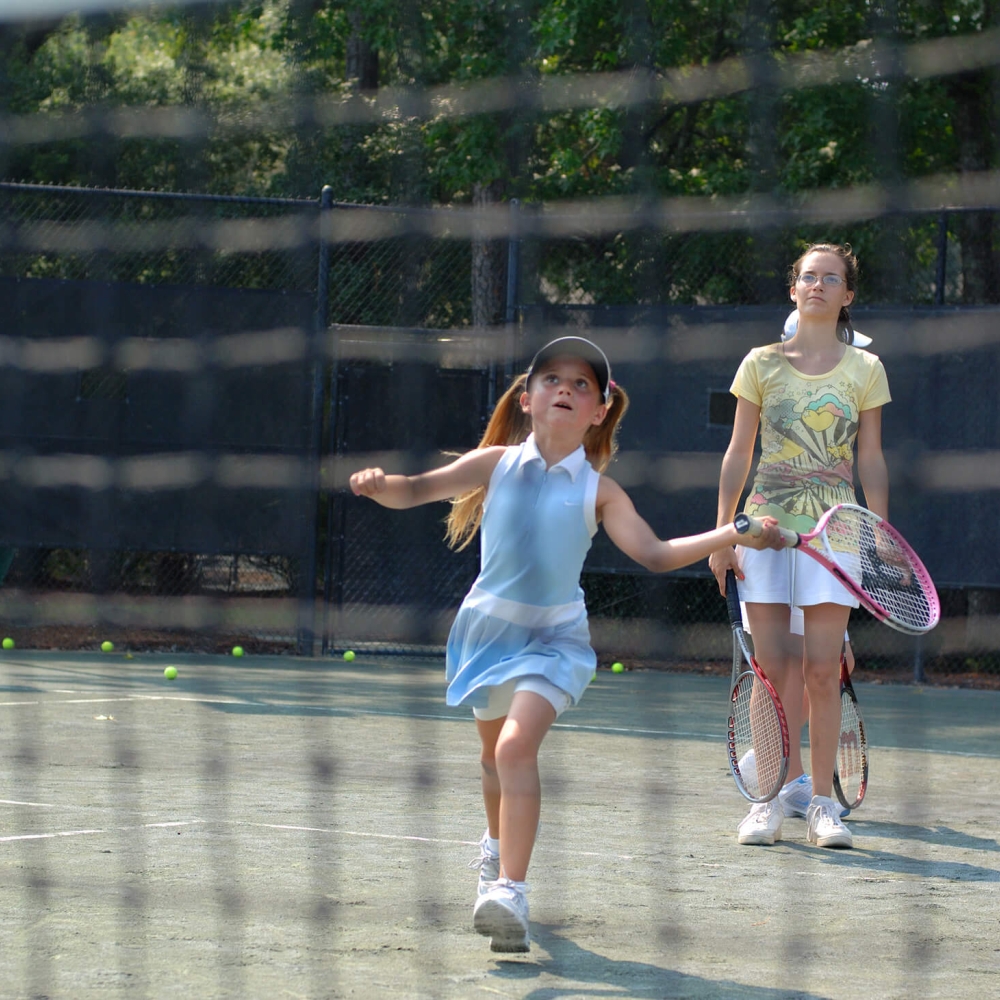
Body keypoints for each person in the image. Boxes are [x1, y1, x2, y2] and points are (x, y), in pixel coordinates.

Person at [350, 336, 784, 952]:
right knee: (491, 760)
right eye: (552, 379)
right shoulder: (494, 464)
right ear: (527, 399)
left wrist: (733, 532)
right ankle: (495, 851)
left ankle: (510, 891)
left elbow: (656, 554)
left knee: (515, 745)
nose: (566, 390)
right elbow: (417, 488)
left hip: (555, 640)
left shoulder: (601, 492)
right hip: (486, 633)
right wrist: (380, 483)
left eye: (583, 385)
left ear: (600, 411)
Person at [708, 244, 891, 850]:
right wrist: (722, 533)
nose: (817, 285)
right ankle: (767, 804)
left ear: (847, 295)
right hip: (761, 533)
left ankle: (821, 806)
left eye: (829, 278)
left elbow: (870, 458)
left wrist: (877, 532)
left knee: (821, 670)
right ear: (793, 289)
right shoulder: (760, 363)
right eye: (807, 277)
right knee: (771, 671)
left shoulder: (867, 370)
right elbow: (739, 451)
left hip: (835, 537)